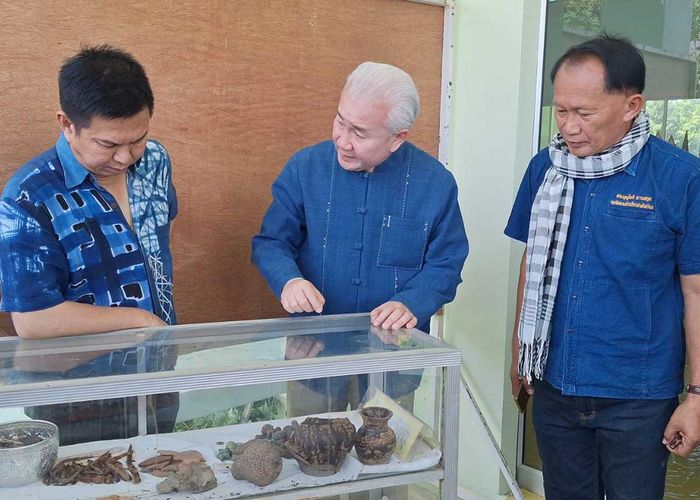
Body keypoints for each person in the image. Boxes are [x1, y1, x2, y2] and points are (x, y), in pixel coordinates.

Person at [506, 35, 700, 499]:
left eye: (585, 113)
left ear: (632, 105)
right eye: (561, 111)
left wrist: (696, 397)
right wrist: (519, 352)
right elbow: (533, 265)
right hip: (553, 385)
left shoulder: (680, 178)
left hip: (636, 396)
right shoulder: (545, 169)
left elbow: (695, 293)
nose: (570, 127)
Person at [252, 61, 468, 415]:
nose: (342, 140)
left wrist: (412, 302)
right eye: (340, 121)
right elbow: (272, 242)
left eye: (360, 133)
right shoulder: (305, 168)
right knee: (313, 455)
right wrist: (287, 280)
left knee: (386, 456)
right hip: (312, 351)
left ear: (398, 137)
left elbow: (446, 263)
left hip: (393, 359)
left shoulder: (434, 184)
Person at [0, 45, 179, 444]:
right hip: (78, 393)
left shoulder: (156, 161)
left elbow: (155, 245)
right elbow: (33, 320)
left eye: (138, 139)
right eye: (107, 144)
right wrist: (139, 320)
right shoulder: (27, 197)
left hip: (159, 373)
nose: (125, 157)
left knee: (163, 469)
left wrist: (160, 335)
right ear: (67, 123)